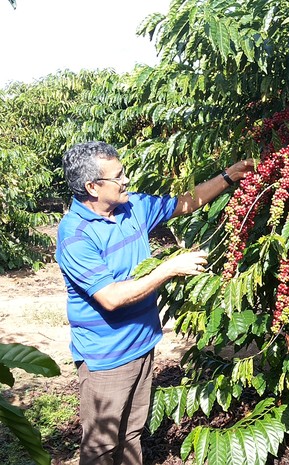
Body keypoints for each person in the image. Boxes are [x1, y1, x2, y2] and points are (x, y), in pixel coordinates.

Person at [55, 141, 254, 465]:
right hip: (107, 358)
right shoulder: (75, 235)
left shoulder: (133, 207)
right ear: (93, 186)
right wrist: (168, 269)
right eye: (118, 176)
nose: (127, 180)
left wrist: (230, 175)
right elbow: (111, 297)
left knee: (132, 433)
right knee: (102, 447)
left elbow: (186, 202)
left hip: (143, 344)